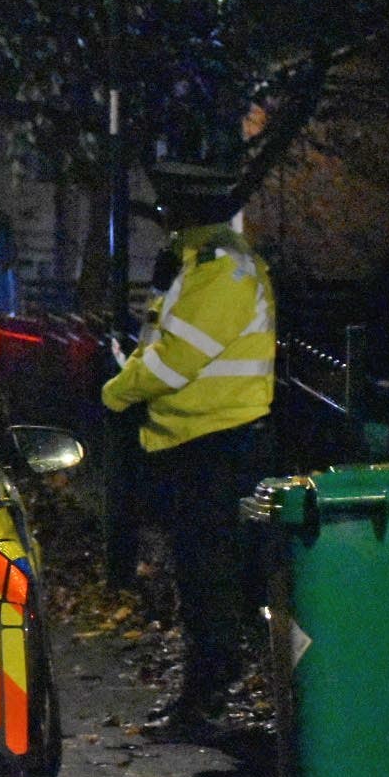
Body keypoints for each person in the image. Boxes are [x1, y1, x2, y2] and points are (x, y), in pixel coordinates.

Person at [100, 161, 276, 737]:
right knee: (203, 578)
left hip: (216, 447)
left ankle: (205, 704)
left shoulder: (219, 267)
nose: (164, 220)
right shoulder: (200, 262)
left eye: (170, 209)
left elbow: (178, 357)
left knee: (210, 581)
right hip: (200, 443)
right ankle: (203, 697)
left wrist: (116, 392)